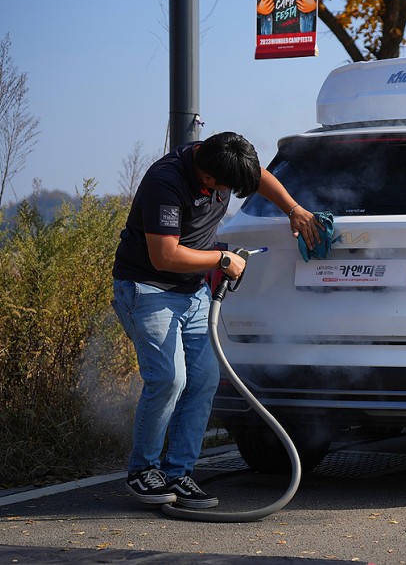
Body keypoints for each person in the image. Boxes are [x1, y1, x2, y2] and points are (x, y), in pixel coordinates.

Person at [112, 131, 319, 508]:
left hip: (191, 293)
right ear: (207, 178)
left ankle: (179, 473)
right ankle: (142, 471)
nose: (230, 194)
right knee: (168, 379)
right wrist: (222, 259)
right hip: (147, 289)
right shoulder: (166, 183)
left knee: (205, 379)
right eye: (226, 189)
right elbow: (165, 256)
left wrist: (294, 209)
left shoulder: (225, 157)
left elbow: (259, 177)